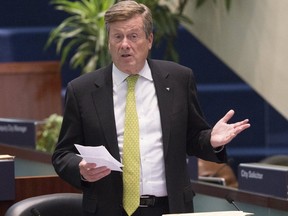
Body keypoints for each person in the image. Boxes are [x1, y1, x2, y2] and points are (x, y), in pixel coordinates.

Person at [52, 1, 250, 216]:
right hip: (109, 209)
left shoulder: (178, 79)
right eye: (117, 37)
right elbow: (63, 154)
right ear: (109, 42)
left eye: (133, 36)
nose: (125, 44)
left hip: (169, 208)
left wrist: (212, 140)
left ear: (149, 40)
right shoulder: (82, 90)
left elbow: (193, 138)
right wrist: (80, 168)